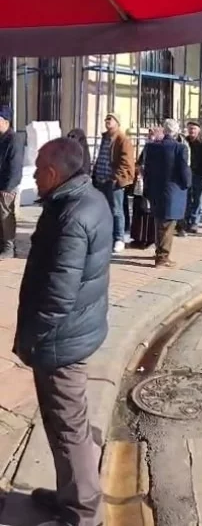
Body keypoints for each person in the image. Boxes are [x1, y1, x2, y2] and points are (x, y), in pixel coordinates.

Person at [14, 138, 112, 526]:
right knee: (71, 424)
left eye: (38, 169)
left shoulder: (71, 216)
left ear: (54, 173)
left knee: (67, 429)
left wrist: (30, 339)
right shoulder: (86, 199)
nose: (35, 176)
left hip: (61, 342)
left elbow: (57, 296)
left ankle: (82, 514)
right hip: (76, 332)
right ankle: (72, 493)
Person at [143, 119, 191, 267]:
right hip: (172, 190)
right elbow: (184, 170)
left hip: (155, 189)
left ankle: (159, 251)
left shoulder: (151, 147)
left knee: (159, 221)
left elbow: (147, 169)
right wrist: (187, 183)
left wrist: (147, 187)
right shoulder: (180, 148)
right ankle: (162, 257)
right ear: (176, 131)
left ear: (164, 130)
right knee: (168, 224)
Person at [92, 113, 135, 253]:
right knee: (103, 210)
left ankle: (119, 238)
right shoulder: (105, 138)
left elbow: (126, 162)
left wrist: (116, 178)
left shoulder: (123, 140)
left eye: (110, 119)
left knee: (116, 210)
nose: (107, 121)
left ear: (117, 122)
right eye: (106, 119)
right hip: (100, 179)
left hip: (113, 182)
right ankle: (106, 237)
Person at [0, 106, 24, 260]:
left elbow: (15, 165)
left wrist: (8, 187)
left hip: (7, 186)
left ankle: (9, 247)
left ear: (6, 122)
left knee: (6, 217)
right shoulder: (1, 138)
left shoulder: (14, 139)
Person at [130, 128, 159, 248]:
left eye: (152, 134)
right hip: (141, 183)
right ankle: (138, 237)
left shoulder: (159, 148)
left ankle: (149, 239)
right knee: (139, 209)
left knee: (148, 211)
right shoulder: (147, 147)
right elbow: (139, 162)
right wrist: (138, 169)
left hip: (152, 184)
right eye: (149, 134)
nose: (150, 136)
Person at [185, 121, 202, 234]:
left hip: (199, 174)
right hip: (187, 173)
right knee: (187, 198)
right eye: (190, 128)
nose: (192, 131)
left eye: (194, 129)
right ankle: (186, 220)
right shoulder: (185, 141)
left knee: (197, 198)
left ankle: (194, 221)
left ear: (198, 130)